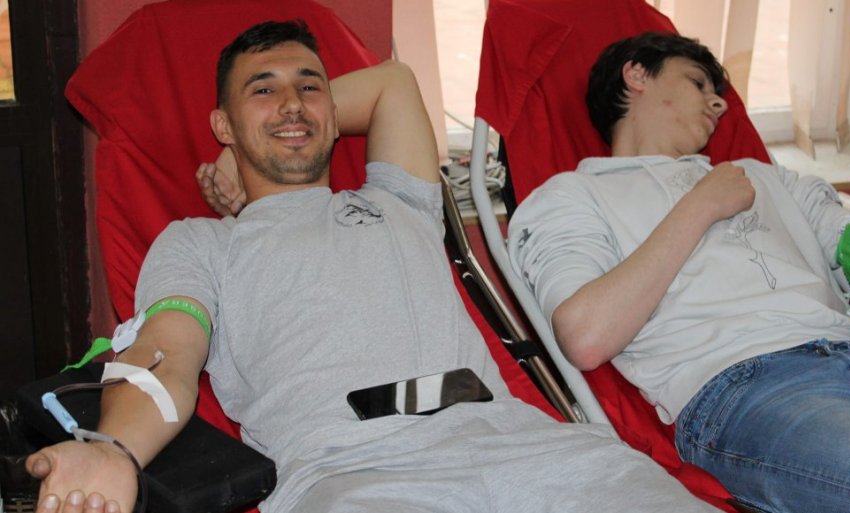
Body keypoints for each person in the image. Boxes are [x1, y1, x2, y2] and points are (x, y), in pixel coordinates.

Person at [25, 21, 720, 513]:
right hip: (354, 475)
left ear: (336, 115)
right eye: (262, 90)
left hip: (529, 448)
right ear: (222, 124)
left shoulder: (399, 201)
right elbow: (165, 355)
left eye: (310, 88)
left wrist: (267, 130)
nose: (291, 103)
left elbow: (393, 81)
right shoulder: (199, 243)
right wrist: (112, 449)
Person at [507, 31, 850, 513]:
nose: (718, 103)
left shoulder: (765, 177)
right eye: (698, 82)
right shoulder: (570, 197)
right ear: (636, 75)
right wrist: (699, 207)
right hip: (752, 392)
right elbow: (585, 336)